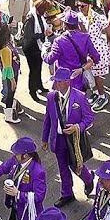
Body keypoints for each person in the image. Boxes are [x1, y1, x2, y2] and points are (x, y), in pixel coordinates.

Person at [40, 67, 96, 206]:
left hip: (73, 140)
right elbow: (48, 119)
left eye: (59, 81)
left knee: (76, 165)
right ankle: (67, 194)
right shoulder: (51, 97)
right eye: (55, 81)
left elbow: (89, 118)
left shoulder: (80, 97)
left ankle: (88, 179)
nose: (56, 84)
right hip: (58, 139)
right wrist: (44, 138)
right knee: (63, 168)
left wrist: (77, 127)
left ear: (67, 82)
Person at [20, 0, 54, 103]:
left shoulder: (39, 16)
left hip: (38, 46)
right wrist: (43, 34)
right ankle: (32, 90)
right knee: (33, 70)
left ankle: (39, 85)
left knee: (38, 67)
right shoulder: (31, 18)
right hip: (30, 47)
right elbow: (29, 36)